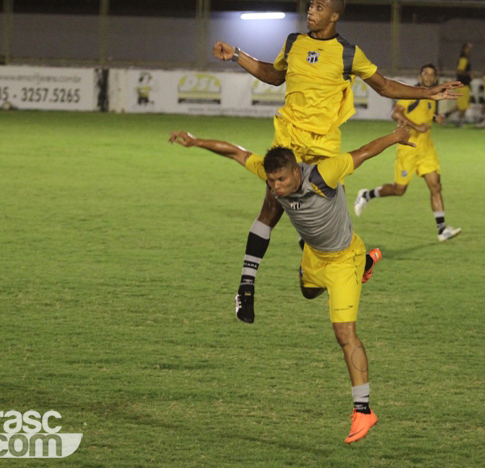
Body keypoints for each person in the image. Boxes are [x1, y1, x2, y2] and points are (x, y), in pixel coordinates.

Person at [212, 0, 461, 324]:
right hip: (288, 138)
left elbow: (384, 86)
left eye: (318, 7)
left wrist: (428, 91)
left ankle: (357, 263)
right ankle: (246, 287)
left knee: (329, 225)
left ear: (334, 16)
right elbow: (273, 75)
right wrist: (236, 55)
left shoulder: (348, 53)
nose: (311, 12)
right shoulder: (293, 42)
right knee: (271, 207)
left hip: (325, 147)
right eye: (311, 6)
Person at [169, 124, 417, 444]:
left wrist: (397, 137)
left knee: (344, 334)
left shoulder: (323, 174)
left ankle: (363, 409)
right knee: (307, 292)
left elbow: (364, 153)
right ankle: (369, 264)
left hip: (343, 260)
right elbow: (235, 151)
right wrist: (196, 141)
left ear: (295, 172)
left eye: (281, 180)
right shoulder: (273, 176)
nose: (276, 187)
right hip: (314, 256)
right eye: (271, 181)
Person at [354, 64, 462, 242]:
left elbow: (426, 114)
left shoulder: (432, 97)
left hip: (426, 149)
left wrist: (437, 118)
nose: (428, 77)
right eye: (425, 73)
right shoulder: (411, 93)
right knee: (399, 189)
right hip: (408, 149)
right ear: (420, 76)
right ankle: (367, 194)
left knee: (435, 186)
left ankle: (442, 230)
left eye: (432, 74)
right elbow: (395, 113)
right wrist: (416, 126)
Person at [439, 42, 473, 127]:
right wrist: (469, 74)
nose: (469, 51)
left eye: (470, 49)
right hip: (462, 85)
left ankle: (445, 115)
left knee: (460, 105)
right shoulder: (463, 59)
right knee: (463, 106)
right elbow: (459, 71)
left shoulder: (465, 59)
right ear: (463, 49)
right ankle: (460, 122)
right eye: (468, 48)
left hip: (465, 85)